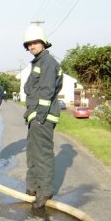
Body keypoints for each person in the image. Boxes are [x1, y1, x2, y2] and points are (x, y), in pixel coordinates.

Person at [22, 24, 63, 208]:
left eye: (35, 43)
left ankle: (44, 191)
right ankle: (32, 188)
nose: (32, 46)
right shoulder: (39, 62)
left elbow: (46, 92)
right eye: (29, 44)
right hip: (36, 116)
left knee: (42, 155)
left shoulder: (47, 63)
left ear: (43, 43)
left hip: (43, 117)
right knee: (32, 153)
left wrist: (39, 116)